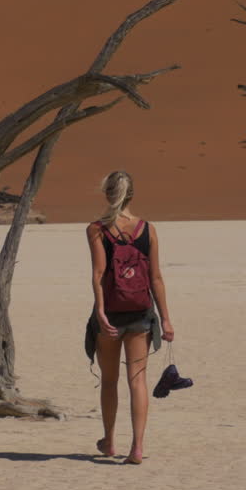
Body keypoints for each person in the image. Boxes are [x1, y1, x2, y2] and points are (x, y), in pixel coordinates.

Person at [86, 170, 174, 465]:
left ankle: (109, 441)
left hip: (110, 313)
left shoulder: (97, 229)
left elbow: (98, 274)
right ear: (132, 195)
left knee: (110, 380)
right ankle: (137, 447)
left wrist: (100, 310)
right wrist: (166, 319)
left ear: (106, 194)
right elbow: (156, 277)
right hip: (140, 312)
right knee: (138, 381)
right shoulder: (148, 229)